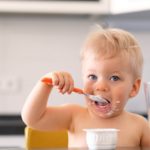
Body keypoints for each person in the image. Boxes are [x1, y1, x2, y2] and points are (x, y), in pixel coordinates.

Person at [21, 27, 150, 147]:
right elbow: (32, 119)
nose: (100, 87)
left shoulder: (140, 126)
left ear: (133, 88)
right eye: (92, 77)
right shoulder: (73, 116)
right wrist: (45, 83)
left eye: (114, 78)